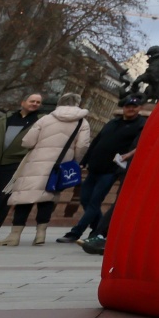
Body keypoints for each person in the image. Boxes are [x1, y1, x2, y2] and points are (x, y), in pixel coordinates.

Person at [0, 93, 90, 245]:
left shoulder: (46, 119)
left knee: (25, 197)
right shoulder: (82, 122)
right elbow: (82, 146)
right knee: (48, 197)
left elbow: (28, 141)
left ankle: (14, 236)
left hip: (36, 162)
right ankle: (40, 235)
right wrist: (74, 160)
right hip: (59, 165)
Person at [60, 99, 142, 244]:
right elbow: (96, 141)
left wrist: (128, 156)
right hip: (94, 167)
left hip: (111, 170)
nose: (130, 109)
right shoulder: (112, 123)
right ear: (123, 108)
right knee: (85, 199)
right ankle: (98, 227)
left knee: (94, 201)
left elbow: (141, 144)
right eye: (128, 106)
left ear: (139, 108)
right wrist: (84, 161)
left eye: (134, 107)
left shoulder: (141, 125)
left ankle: (75, 232)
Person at [0, 94, 44, 238]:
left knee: (3, 200)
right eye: (32, 101)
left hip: (14, 165)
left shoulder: (40, 122)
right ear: (23, 102)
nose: (35, 104)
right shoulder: (5, 118)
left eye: (38, 102)